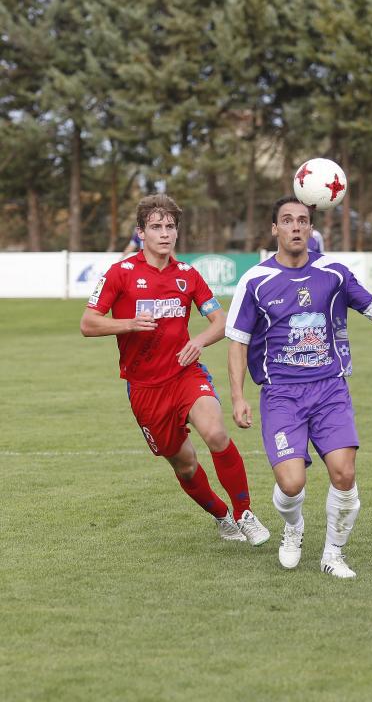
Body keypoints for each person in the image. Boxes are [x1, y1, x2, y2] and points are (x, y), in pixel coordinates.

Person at [226, 196, 372, 579]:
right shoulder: (255, 280)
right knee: (291, 483)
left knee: (344, 474)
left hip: (329, 389)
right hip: (281, 393)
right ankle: (294, 527)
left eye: (303, 220)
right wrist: (238, 397)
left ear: (311, 228)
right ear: (275, 229)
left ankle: (333, 554)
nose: (296, 227)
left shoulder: (333, 273)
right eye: (287, 220)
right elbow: (237, 340)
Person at [80, 193, 269, 546]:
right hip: (145, 388)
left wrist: (198, 342)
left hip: (185, 375)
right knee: (184, 465)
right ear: (141, 233)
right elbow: (88, 323)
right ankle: (222, 516)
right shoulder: (120, 274)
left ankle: (245, 512)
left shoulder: (188, 275)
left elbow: (221, 321)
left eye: (170, 227)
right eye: (156, 227)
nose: (164, 234)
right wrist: (129, 324)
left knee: (216, 433)